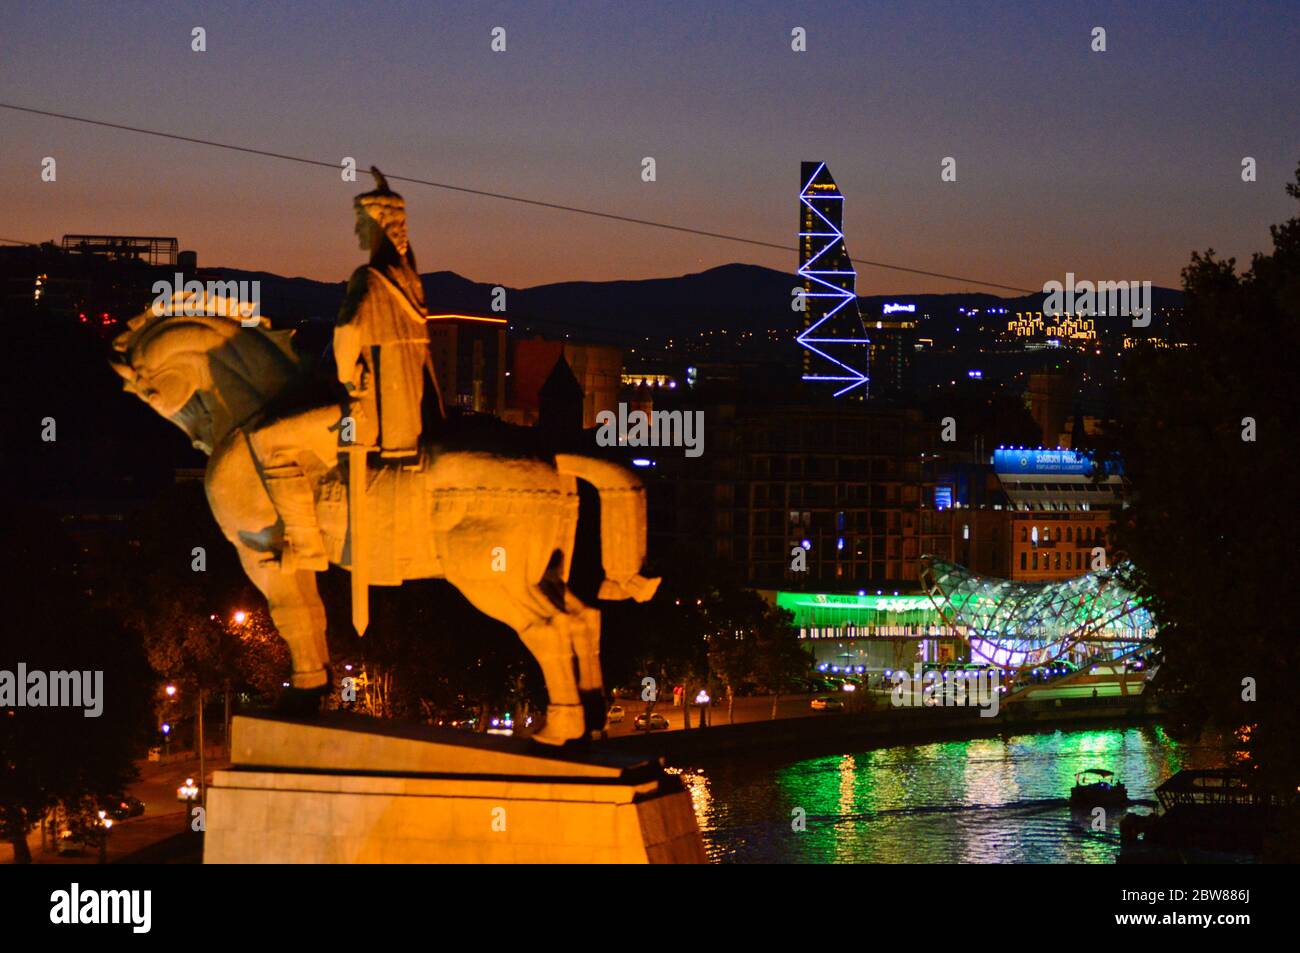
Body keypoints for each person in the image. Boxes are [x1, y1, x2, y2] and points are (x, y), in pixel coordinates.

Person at [333, 167, 443, 463]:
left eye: (361, 222)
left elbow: (347, 330)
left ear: (379, 224)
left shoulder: (369, 278)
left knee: (341, 444)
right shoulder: (411, 279)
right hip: (414, 402)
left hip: (380, 392)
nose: (357, 230)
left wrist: (346, 377)